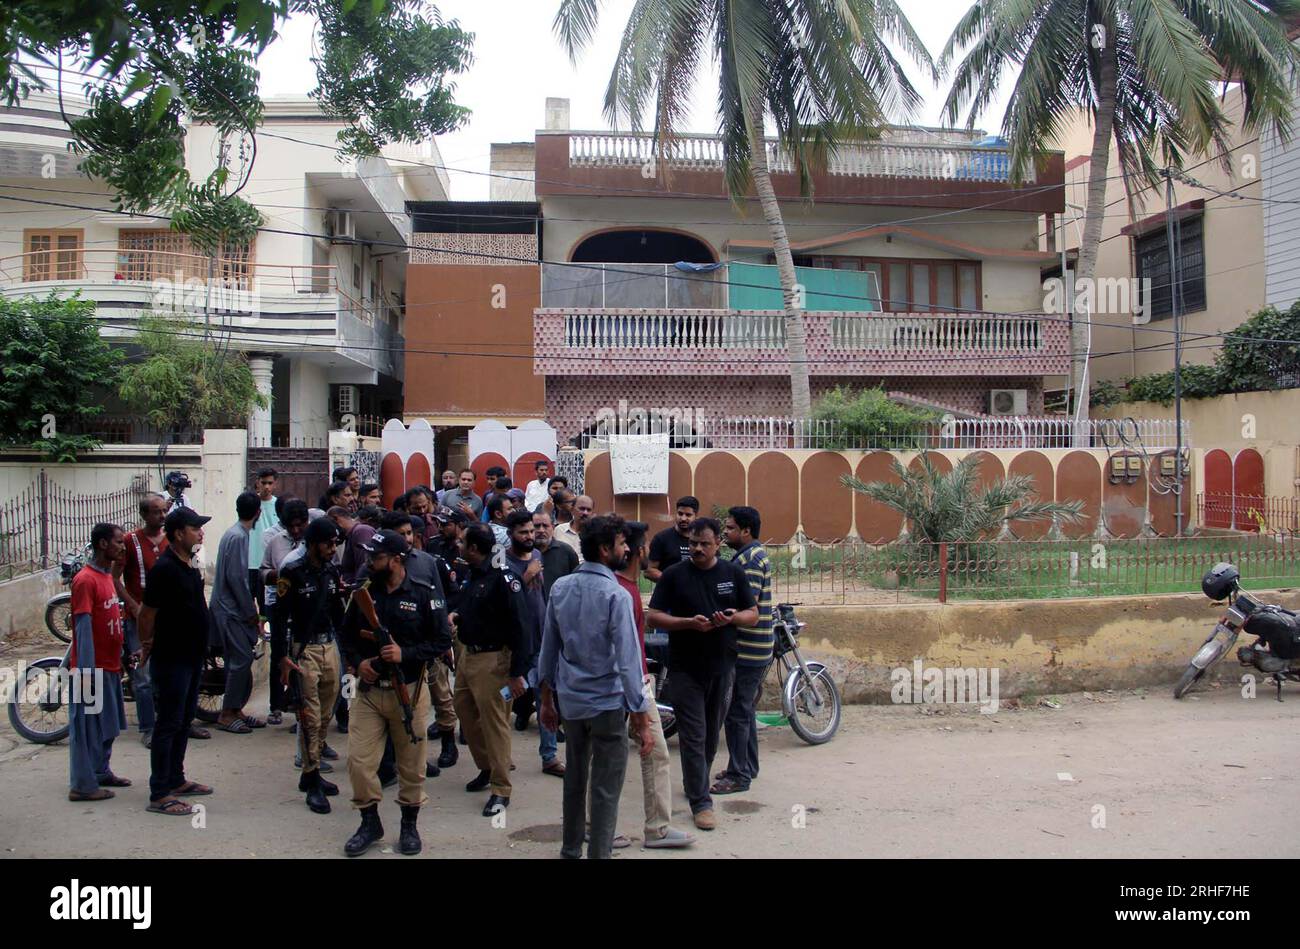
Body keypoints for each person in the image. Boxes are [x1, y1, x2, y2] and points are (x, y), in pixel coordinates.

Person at [538, 515, 653, 859]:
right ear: (605, 550)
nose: (627, 549)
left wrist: (546, 701)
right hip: (606, 706)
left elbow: (547, 652)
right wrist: (642, 718)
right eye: (621, 544)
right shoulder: (615, 595)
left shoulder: (560, 588)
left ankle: (571, 850)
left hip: (571, 704)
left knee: (575, 779)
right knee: (604, 788)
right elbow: (629, 662)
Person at [341, 530, 451, 856]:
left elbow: (442, 640)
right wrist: (359, 663)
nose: (369, 562)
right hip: (370, 692)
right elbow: (345, 635)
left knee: (412, 766)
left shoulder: (422, 594)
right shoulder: (363, 594)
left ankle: (409, 825)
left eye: (375, 558)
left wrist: (407, 654)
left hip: (411, 691)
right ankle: (369, 821)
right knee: (359, 763)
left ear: (396, 560)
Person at [645, 517, 757, 832]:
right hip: (684, 669)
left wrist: (733, 618)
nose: (697, 549)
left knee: (710, 736)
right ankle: (700, 802)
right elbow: (654, 616)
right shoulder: (674, 575)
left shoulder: (732, 573)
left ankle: (697, 780)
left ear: (717, 544)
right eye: (693, 543)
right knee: (693, 736)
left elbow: (753, 613)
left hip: (723, 667)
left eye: (704, 544)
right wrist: (687, 623)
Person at [614, 520, 694, 849]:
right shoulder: (620, 591)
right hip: (628, 685)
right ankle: (601, 826)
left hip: (634, 682)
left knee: (652, 754)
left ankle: (658, 828)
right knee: (620, 755)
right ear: (640, 552)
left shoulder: (629, 588)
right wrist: (636, 702)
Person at [139, 507, 217, 816]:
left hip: (192, 656)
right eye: (194, 527)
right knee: (168, 724)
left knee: (184, 721)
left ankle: (176, 778)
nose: (200, 532)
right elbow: (147, 613)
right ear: (178, 533)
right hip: (172, 659)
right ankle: (159, 792)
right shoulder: (165, 568)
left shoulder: (189, 564)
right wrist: (147, 645)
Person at [451, 524, 530, 817]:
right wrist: (457, 616)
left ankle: (500, 789)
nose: (458, 546)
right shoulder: (473, 574)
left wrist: (517, 672)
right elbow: (473, 610)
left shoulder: (505, 578)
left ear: (474, 548)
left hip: (495, 662)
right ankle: (486, 767)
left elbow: (523, 626)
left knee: (495, 723)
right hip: (467, 657)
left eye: (463, 542)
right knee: (465, 712)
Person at [278, 517, 347, 814]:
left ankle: (311, 773)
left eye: (335, 544)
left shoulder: (332, 572)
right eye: (328, 544)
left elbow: (337, 615)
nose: (333, 549)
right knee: (310, 716)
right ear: (313, 543)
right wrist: (282, 657)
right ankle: (313, 775)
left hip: (329, 646)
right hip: (303, 651)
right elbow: (279, 617)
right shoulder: (291, 573)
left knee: (326, 714)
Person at [712, 506, 774, 796]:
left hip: (748, 648)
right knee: (745, 710)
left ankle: (739, 775)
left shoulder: (748, 561)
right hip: (756, 647)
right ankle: (748, 764)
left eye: (731, 527)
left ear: (746, 530)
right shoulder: (751, 555)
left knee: (736, 712)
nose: (726, 532)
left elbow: (744, 607)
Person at [68, 522, 130, 802]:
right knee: (87, 728)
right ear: (103, 544)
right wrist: (87, 672)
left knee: (108, 724)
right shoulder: (85, 580)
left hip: (111, 665)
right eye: (118, 542)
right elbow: (83, 629)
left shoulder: (106, 577)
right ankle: (82, 784)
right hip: (92, 670)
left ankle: (100, 770)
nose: (122, 546)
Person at [503, 510, 563, 777]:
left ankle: (549, 757)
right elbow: (503, 601)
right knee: (503, 700)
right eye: (524, 532)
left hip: (541, 643)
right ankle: (500, 755)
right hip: (514, 646)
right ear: (510, 534)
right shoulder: (502, 561)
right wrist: (525, 576)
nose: (530, 536)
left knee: (545, 697)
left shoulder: (537, 556)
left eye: (531, 531)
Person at [210, 491, 264, 734]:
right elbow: (236, 578)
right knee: (240, 659)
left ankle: (236, 709)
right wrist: (250, 610)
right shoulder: (238, 537)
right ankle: (227, 712)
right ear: (258, 513)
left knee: (239, 659)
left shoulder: (235, 534)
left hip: (230, 608)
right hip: (230, 610)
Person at [115, 493, 165, 747]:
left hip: (166, 618)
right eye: (156, 512)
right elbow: (115, 578)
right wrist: (132, 605)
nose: (162, 516)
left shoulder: (171, 539)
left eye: (163, 511)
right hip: (139, 619)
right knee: (142, 675)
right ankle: (148, 727)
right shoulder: (130, 541)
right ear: (145, 515)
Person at [260, 498, 311, 725]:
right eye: (291, 526)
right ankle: (276, 706)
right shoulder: (275, 542)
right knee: (279, 654)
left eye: (300, 525)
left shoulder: (313, 543)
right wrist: (276, 577)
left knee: (301, 656)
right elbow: (262, 572)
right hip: (278, 606)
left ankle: (300, 707)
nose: (296, 530)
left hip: (304, 608)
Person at [646, 496, 700, 582]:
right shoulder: (661, 538)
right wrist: (673, 581)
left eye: (688, 515)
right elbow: (649, 571)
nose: (683, 518)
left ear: (696, 516)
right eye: (680, 514)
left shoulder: (702, 540)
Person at [249, 468, 279, 618]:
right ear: (257, 483)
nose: (266, 486)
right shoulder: (250, 503)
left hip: (268, 564)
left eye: (270, 483)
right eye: (263, 483)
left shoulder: (278, 504)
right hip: (251, 561)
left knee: (266, 603)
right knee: (248, 601)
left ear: (275, 484)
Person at [533, 510, 578, 600]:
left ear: (553, 528)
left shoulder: (566, 552)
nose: (541, 530)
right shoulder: (524, 553)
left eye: (545, 526)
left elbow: (576, 585)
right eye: (537, 526)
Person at [552, 490, 585, 559]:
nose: (574, 505)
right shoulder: (556, 529)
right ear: (559, 506)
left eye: (575, 501)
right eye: (571, 502)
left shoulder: (582, 526)